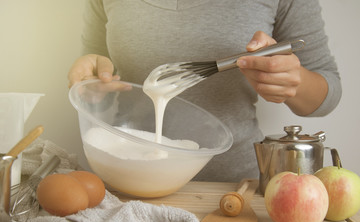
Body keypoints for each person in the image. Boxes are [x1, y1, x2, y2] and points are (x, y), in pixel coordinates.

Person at [68, 0, 341, 182]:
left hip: (232, 190)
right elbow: (97, 78)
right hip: (126, 182)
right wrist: (91, 88)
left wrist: (292, 81)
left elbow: (326, 96)